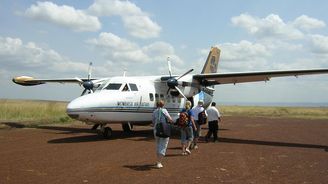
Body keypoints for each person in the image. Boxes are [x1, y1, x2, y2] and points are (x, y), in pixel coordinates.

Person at [152, 100, 173, 169]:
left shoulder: (154, 111)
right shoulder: (164, 110)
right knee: (163, 145)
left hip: (156, 130)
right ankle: (159, 162)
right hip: (164, 130)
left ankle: (158, 160)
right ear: (163, 105)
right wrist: (171, 121)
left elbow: (153, 121)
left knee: (158, 145)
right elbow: (170, 119)